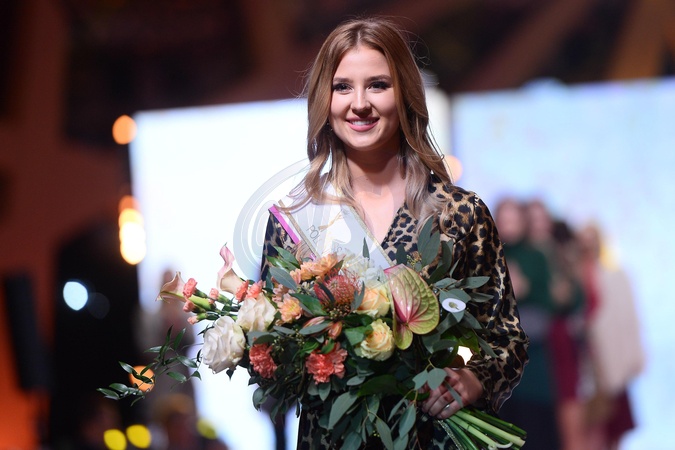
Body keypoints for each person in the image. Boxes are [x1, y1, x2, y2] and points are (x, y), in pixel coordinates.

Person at [259, 17, 528, 449]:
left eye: (378, 85)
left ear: (405, 94)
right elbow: (272, 353)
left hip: (431, 435)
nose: (359, 104)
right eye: (342, 87)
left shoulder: (458, 214)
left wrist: (473, 380)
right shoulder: (295, 219)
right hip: (332, 438)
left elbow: (506, 340)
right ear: (324, 99)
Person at [494, 197, 560, 450]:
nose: (509, 225)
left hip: (532, 369)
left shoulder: (535, 256)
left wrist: (524, 289)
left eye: (514, 219)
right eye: (504, 219)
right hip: (497, 372)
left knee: (537, 437)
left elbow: (548, 308)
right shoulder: (489, 257)